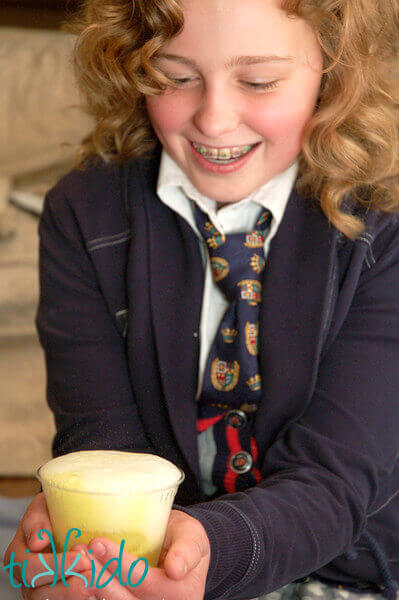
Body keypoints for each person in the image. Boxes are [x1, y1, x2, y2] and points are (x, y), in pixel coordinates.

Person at [3, 0, 399, 598]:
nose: (213, 121)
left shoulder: (386, 227)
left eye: (258, 81)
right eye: (176, 78)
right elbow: (104, 448)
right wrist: (90, 549)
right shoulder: (82, 215)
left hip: (358, 569)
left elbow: (334, 481)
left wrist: (206, 555)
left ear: (335, 70)